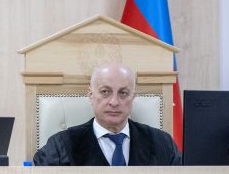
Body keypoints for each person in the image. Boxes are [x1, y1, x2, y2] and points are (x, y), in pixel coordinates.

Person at [33, 62, 181, 166]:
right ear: (91, 95)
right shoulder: (62, 146)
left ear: (133, 97)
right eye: (105, 92)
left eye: (123, 93)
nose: (114, 102)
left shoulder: (162, 144)